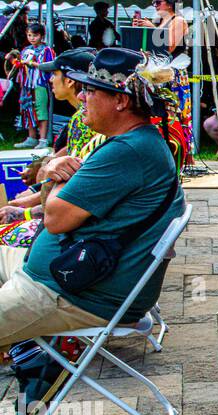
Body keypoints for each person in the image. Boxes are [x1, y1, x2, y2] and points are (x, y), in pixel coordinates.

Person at [0, 47, 185, 347]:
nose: (82, 98)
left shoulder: (127, 151)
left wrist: (54, 171)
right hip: (68, 278)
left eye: (90, 90)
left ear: (121, 101)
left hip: (71, 294)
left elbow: (55, 218)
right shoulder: (137, 143)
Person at [0, 49, 101, 247]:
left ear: (70, 81)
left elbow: (72, 182)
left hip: (70, 233)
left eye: (54, 75)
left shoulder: (84, 120)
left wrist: (27, 207)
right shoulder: (80, 119)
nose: (50, 81)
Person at [134, 0, 193, 163]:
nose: (155, 6)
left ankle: (184, 155)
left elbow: (170, 46)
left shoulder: (178, 20)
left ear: (169, 3)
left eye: (157, 2)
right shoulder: (163, 22)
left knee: (177, 111)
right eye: (153, 2)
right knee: (161, 112)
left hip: (172, 74)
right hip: (159, 73)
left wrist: (152, 29)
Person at [9, 22, 54, 149]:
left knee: (41, 109)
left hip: (40, 84)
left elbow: (50, 66)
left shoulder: (47, 50)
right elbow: (19, 64)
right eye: (29, 35)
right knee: (27, 108)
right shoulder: (26, 50)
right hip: (26, 85)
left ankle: (43, 139)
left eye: (35, 35)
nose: (32, 38)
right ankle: (31, 137)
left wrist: (33, 64)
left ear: (41, 36)